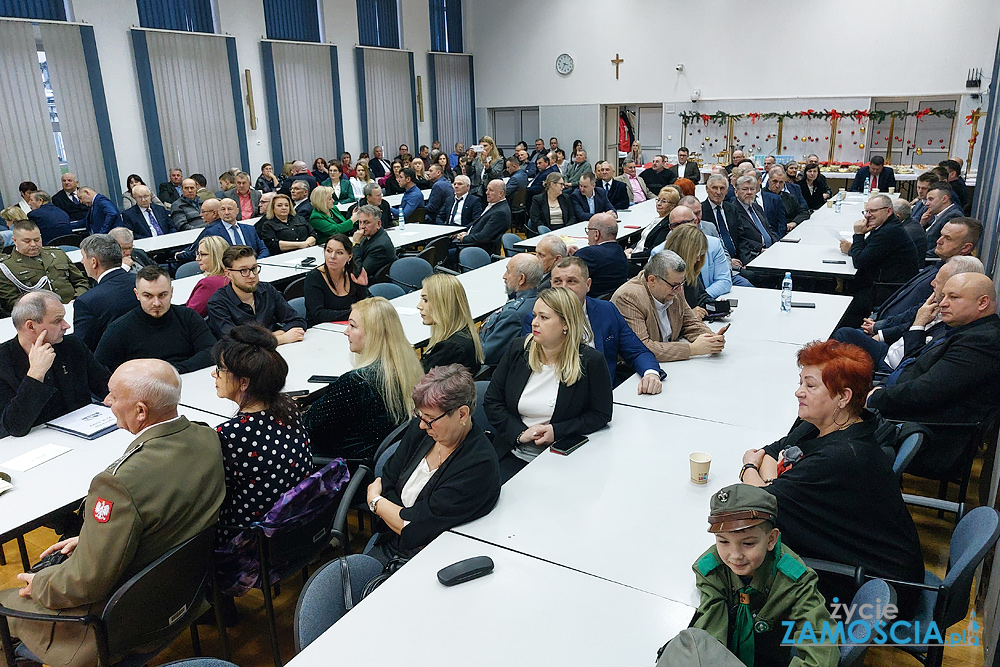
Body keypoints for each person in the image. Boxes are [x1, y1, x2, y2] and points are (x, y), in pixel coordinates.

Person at [0, 358, 224, 667]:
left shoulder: (117, 483)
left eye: (114, 396)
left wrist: (40, 585)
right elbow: (167, 514)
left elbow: (84, 584)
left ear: (141, 411)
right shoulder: (207, 437)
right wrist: (94, 535)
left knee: (8, 599)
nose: (106, 401)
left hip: (119, 621)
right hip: (183, 593)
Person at [741, 340, 924, 615]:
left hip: (876, 588)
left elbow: (761, 501)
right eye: (801, 382)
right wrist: (771, 478)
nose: (798, 392)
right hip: (850, 555)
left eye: (810, 386)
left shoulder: (843, 456)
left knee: (740, 562)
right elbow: (771, 452)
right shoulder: (821, 425)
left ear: (843, 397)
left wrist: (748, 469)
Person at [689, 483, 840, 667]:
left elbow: (822, 644)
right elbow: (709, 636)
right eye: (723, 541)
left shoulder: (795, 579)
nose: (735, 555)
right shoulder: (713, 570)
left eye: (748, 544)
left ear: (771, 539)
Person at [366, 364, 501, 563]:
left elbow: (414, 527)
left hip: (431, 560)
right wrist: (403, 516)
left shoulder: (478, 465)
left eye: (429, 418)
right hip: (392, 541)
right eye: (420, 415)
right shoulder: (422, 430)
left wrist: (375, 502)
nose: (422, 424)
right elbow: (388, 479)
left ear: (462, 414)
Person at [868, 273, 1000, 473]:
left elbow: (926, 391)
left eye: (953, 297)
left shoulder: (982, 342)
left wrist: (875, 397)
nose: (943, 303)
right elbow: (915, 367)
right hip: (906, 410)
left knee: (829, 411)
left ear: (982, 303)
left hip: (928, 435)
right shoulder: (966, 330)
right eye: (943, 295)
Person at [485, 287, 613, 479]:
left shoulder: (590, 361)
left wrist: (557, 431)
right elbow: (492, 402)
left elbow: (600, 414)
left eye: (544, 318)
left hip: (565, 460)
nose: (534, 323)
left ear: (566, 324)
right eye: (535, 315)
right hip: (512, 454)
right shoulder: (519, 349)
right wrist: (520, 434)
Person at [211, 325, 313, 545]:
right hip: (294, 526)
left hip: (250, 540)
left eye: (220, 369)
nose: (214, 374)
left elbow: (215, 496)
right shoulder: (288, 407)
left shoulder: (230, 435)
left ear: (244, 382)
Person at [304, 297, 424, 460]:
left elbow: (311, 426)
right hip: (385, 458)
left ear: (373, 333)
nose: (346, 332)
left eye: (352, 326)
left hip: (343, 466)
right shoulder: (407, 366)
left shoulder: (356, 382)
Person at [838, 217, 982, 351]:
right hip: (883, 322)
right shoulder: (940, 263)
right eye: (941, 235)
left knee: (841, 335)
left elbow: (919, 314)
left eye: (948, 238)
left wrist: (880, 329)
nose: (939, 241)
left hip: (893, 340)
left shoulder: (955, 278)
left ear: (965, 248)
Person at [834, 257, 984, 370]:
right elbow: (907, 320)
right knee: (845, 334)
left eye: (938, 281)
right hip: (891, 348)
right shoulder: (935, 302)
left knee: (843, 337)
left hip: (892, 366)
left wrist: (918, 323)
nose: (932, 284)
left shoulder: (953, 319)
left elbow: (914, 361)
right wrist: (881, 332)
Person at [0, 291, 110, 437]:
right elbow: (14, 426)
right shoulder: (3, 362)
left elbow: (104, 385)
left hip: (86, 431)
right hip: (35, 446)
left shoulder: (72, 346)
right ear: (31, 326)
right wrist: (35, 375)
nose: (66, 326)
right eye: (58, 320)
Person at [546, 257, 664, 389]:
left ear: (588, 285)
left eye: (571, 281)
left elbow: (637, 352)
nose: (563, 288)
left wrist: (651, 374)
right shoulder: (538, 318)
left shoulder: (607, 310)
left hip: (607, 392)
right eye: (557, 282)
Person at [95, 264, 215, 372]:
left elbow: (211, 350)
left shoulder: (188, 317)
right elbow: (100, 371)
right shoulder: (118, 329)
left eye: (162, 295)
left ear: (171, 292)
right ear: (137, 294)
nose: (156, 303)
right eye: (148, 296)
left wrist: (173, 371)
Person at [611, 251, 725, 362]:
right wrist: (692, 349)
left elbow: (690, 322)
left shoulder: (674, 287)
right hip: (637, 371)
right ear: (652, 280)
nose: (679, 290)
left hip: (671, 362)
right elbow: (642, 347)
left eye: (681, 283)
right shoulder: (629, 297)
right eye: (675, 285)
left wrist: (710, 339)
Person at [837, 194, 919, 328]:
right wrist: (855, 248)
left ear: (888, 211)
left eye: (873, 211)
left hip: (887, 289)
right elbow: (865, 252)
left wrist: (858, 235)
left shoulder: (889, 231)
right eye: (867, 211)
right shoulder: (885, 226)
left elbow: (860, 261)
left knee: (843, 308)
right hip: (880, 283)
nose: (867, 215)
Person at [206, 245, 307, 342]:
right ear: (229, 274)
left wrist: (270, 337)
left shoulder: (267, 290)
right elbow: (234, 341)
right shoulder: (217, 303)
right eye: (243, 270)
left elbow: (297, 321)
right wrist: (279, 339)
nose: (252, 275)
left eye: (254, 268)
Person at [0, 220, 89, 311]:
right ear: (14, 241)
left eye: (37, 239)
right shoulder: (6, 267)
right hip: (39, 314)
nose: (33, 244)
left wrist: (77, 299)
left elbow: (81, 281)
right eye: (27, 241)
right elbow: (12, 301)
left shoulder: (57, 254)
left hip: (74, 305)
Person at [73, 234, 138, 351]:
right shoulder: (141, 282)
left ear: (94, 262)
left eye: (83, 256)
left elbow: (82, 348)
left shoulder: (86, 302)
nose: (82, 261)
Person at [480, 254, 543, 366]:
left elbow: (485, 355)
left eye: (508, 272)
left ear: (521, 279)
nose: (504, 276)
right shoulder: (537, 300)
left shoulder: (513, 314)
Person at [658, 221, 729, 315]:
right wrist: (690, 314)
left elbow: (701, 298)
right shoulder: (663, 278)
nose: (699, 259)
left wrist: (714, 307)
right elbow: (664, 316)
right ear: (686, 252)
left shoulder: (690, 271)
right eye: (697, 254)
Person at [416, 273, 483, 373]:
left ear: (443, 304)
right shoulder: (465, 333)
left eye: (425, 300)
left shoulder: (450, 348)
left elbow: (417, 380)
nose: (419, 306)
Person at [303, 234, 369, 326]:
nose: (332, 256)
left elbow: (367, 305)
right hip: (320, 330)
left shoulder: (353, 273)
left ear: (349, 257)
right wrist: (354, 313)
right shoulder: (314, 277)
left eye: (339, 253)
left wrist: (362, 288)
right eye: (329, 251)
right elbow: (318, 314)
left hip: (350, 326)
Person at [184, 198, 270, 261]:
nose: (226, 212)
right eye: (223, 209)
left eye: (230, 209)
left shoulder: (249, 229)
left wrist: (257, 262)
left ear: (237, 211)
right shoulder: (212, 232)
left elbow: (263, 249)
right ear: (219, 212)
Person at [571, 212, 628, 296]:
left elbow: (566, 272)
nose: (587, 234)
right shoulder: (620, 252)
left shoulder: (588, 254)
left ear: (596, 234)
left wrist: (571, 256)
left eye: (588, 230)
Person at [453, 179, 510, 250]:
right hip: (471, 241)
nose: (486, 192)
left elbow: (484, 237)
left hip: (475, 249)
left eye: (491, 190)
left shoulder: (500, 213)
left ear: (501, 193)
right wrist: (467, 233)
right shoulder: (495, 205)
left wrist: (464, 238)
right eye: (487, 189)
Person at [185, 235, 231, 316]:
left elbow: (189, 316)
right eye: (197, 254)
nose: (197, 258)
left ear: (216, 256)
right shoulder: (235, 276)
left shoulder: (208, 284)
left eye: (203, 254)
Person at [921, 181, 964, 253]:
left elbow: (944, 249)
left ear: (944, 199)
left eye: (931, 199)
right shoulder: (935, 215)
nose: (927, 204)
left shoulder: (953, 217)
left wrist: (918, 257)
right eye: (927, 200)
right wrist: (923, 224)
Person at [634, 186, 680, 253]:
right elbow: (643, 239)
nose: (658, 204)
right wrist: (631, 248)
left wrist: (631, 256)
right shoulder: (657, 219)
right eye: (658, 200)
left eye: (663, 201)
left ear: (672, 206)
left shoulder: (667, 224)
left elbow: (654, 250)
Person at [733, 175, 774, 250]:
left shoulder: (757, 207)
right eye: (745, 189)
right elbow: (740, 239)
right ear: (736, 192)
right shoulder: (733, 211)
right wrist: (760, 249)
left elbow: (769, 230)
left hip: (771, 249)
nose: (749, 192)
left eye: (752, 189)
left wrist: (777, 244)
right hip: (754, 253)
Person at [766, 167, 810, 232]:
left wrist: (794, 222)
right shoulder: (761, 196)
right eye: (774, 181)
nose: (777, 185)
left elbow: (804, 212)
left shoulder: (789, 197)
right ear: (769, 181)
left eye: (781, 182)